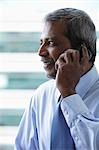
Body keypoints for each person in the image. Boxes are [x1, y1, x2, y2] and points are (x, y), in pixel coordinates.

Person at [14, 8, 99, 150]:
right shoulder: (41, 95)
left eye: (51, 43)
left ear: (82, 52)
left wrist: (69, 94)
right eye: (41, 42)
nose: (40, 52)